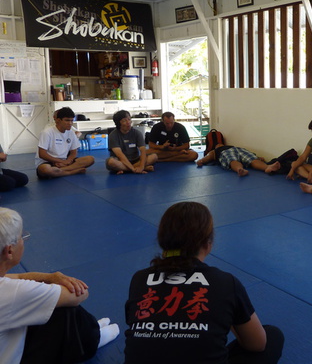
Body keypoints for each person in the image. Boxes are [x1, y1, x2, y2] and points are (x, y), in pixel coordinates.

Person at [124, 202, 284, 364]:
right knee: (272, 335)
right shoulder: (226, 283)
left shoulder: (139, 279)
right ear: (208, 243)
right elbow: (257, 344)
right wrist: (226, 310)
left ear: (162, 240)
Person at [0, 207, 119, 364]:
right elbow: (78, 295)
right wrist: (59, 281)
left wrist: (51, 277)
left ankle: (92, 330)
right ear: (9, 251)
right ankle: (94, 338)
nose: (23, 241)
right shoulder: (12, 292)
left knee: (45, 309)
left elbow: (19, 276)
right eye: (22, 237)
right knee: (67, 311)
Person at [36, 107, 95, 178]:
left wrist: (68, 160)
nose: (70, 123)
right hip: (48, 162)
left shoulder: (71, 133)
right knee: (45, 170)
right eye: (67, 120)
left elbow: (74, 152)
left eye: (71, 121)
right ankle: (72, 172)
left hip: (65, 161)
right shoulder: (47, 132)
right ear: (58, 120)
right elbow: (42, 154)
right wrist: (60, 161)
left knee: (90, 159)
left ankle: (60, 171)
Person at [106, 110, 158, 174]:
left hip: (135, 160)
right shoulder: (113, 135)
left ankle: (125, 170)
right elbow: (120, 156)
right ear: (118, 124)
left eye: (129, 119)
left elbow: (143, 151)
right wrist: (133, 169)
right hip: (121, 161)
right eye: (124, 121)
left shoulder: (137, 133)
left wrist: (141, 167)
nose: (128, 122)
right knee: (111, 162)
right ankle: (136, 168)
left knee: (154, 157)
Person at [197, 144, 281, 177]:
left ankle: (267, 167)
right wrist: (202, 160)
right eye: (218, 144)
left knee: (252, 159)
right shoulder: (215, 151)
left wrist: (258, 157)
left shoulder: (232, 145)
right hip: (226, 152)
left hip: (239, 149)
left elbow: (249, 154)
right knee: (233, 160)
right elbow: (207, 157)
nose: (219, 144)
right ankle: (240, 170)